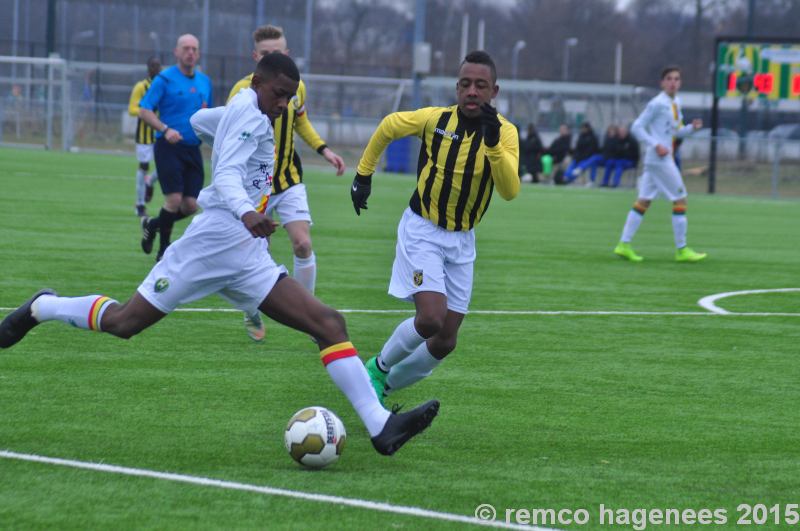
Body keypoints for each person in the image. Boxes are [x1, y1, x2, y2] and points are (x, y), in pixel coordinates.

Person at [0, 53, 438, 457]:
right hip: (212, 242)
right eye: (278, 93)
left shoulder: (243, 111)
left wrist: (226, 136)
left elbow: (198, 119)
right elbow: (227, 173)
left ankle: (381, 427)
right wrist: (249, 211)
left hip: (245, 253)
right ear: (257, 82)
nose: (284, 103)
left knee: (328, 324)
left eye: (289, 96)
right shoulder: (252, 117)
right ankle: (44, 307)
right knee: (124, 323)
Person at [349, 50, 519, 406]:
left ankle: (382, 390)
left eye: (480, 85)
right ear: (457, 88)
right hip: (422, 229)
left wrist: (491, 147)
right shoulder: (434, 120)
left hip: (462, 241)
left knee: (445, 341)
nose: (472, 91)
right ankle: (376, 369)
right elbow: (389, 125)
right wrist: (364, 175)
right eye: (465, 84)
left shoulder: (505, 134)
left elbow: (509, 190)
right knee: (430, 319)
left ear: (494, 91)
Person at [227, 25, 346, 343]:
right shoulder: (242, 91)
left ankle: (309, 319)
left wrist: (324, 150)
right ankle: (251, 310)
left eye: (278, 52)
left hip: (289, 179)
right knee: (249, 255)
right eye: (266, 54)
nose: (273, 57)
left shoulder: (297, 87)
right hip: (254, 187)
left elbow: (301, 121)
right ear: (256, 57)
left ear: (288, 54)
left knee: (303, 244)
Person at [613, 65, 706, 263]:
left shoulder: (676, 102)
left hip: (660, 159)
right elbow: (637, 127)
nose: (673, 82)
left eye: (677, 79)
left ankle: (623, 245)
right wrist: (655, 144)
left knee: (643, 201)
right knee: (680, 199)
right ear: (662, 83)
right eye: (669, 79)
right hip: (659, 159)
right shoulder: (657, 103)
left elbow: (676, 131)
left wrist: (691, 128)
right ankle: (681, 250)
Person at [139, 34, 213, 262]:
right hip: (168, 147)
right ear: (177, 52)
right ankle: (163, 252)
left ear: (198, 53)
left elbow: (207, 115)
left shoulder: (204, 82)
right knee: (173, 200)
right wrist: (165, 128)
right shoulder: (164, 79)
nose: (190, 52)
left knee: (191, 205)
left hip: (193, 149)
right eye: (186, 48)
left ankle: (153, 225)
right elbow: (145, 110)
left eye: (194, 49)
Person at [127, 56, 162, 218]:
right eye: (154, 66)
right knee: (143, 167)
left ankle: (150, 181)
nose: (157, 69)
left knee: (164, 166)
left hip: (161, 132)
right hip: (144, 136)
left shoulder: (164, 85)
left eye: (158, 66)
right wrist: (146, 113)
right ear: (148, 69)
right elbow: (132, 109)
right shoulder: (141, 87)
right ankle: (140, 204)